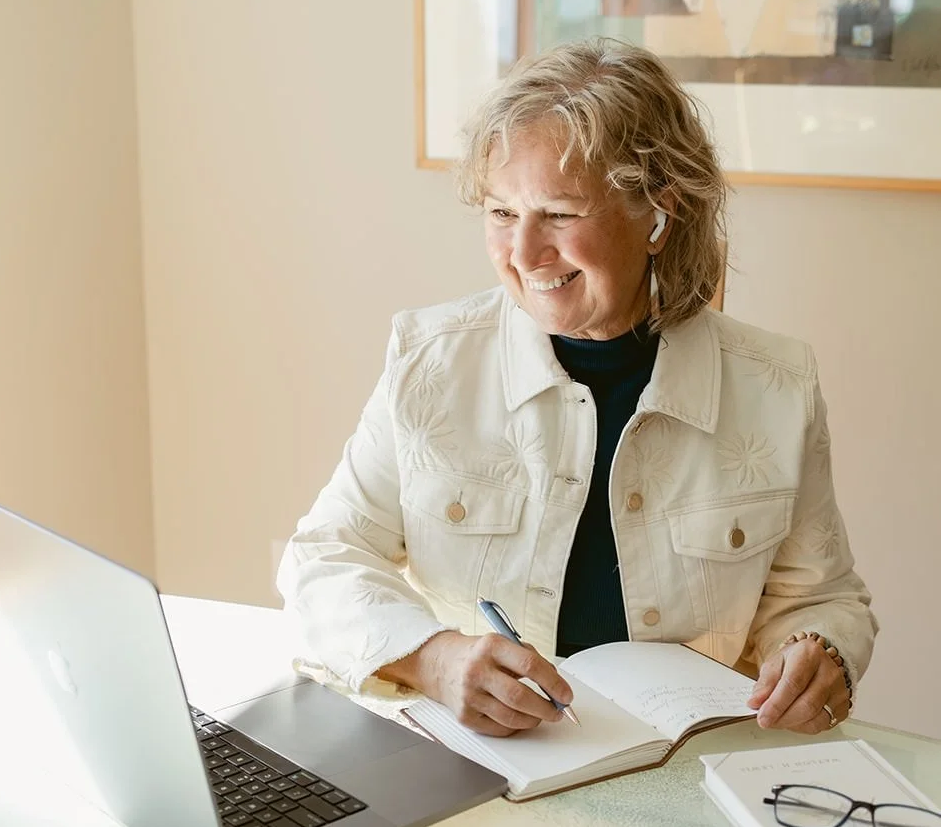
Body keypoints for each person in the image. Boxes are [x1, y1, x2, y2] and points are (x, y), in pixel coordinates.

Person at [277, 38, 876, 738]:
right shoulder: (428, 363)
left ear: (658, 214)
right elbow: (321, 558)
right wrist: (435, 660)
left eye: (558, 214)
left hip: (690, 772)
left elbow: (824, 598)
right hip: (481, 769)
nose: (524, 254)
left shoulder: (776, 385)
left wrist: (821, 650)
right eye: (502, 214)